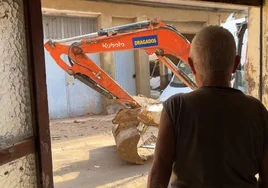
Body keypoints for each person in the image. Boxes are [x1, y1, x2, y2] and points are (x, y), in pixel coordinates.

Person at [147, 26, 268, 188]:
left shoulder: (176, 107)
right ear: (235, 64)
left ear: (191, 65)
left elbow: (158, 177)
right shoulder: (257, 111)